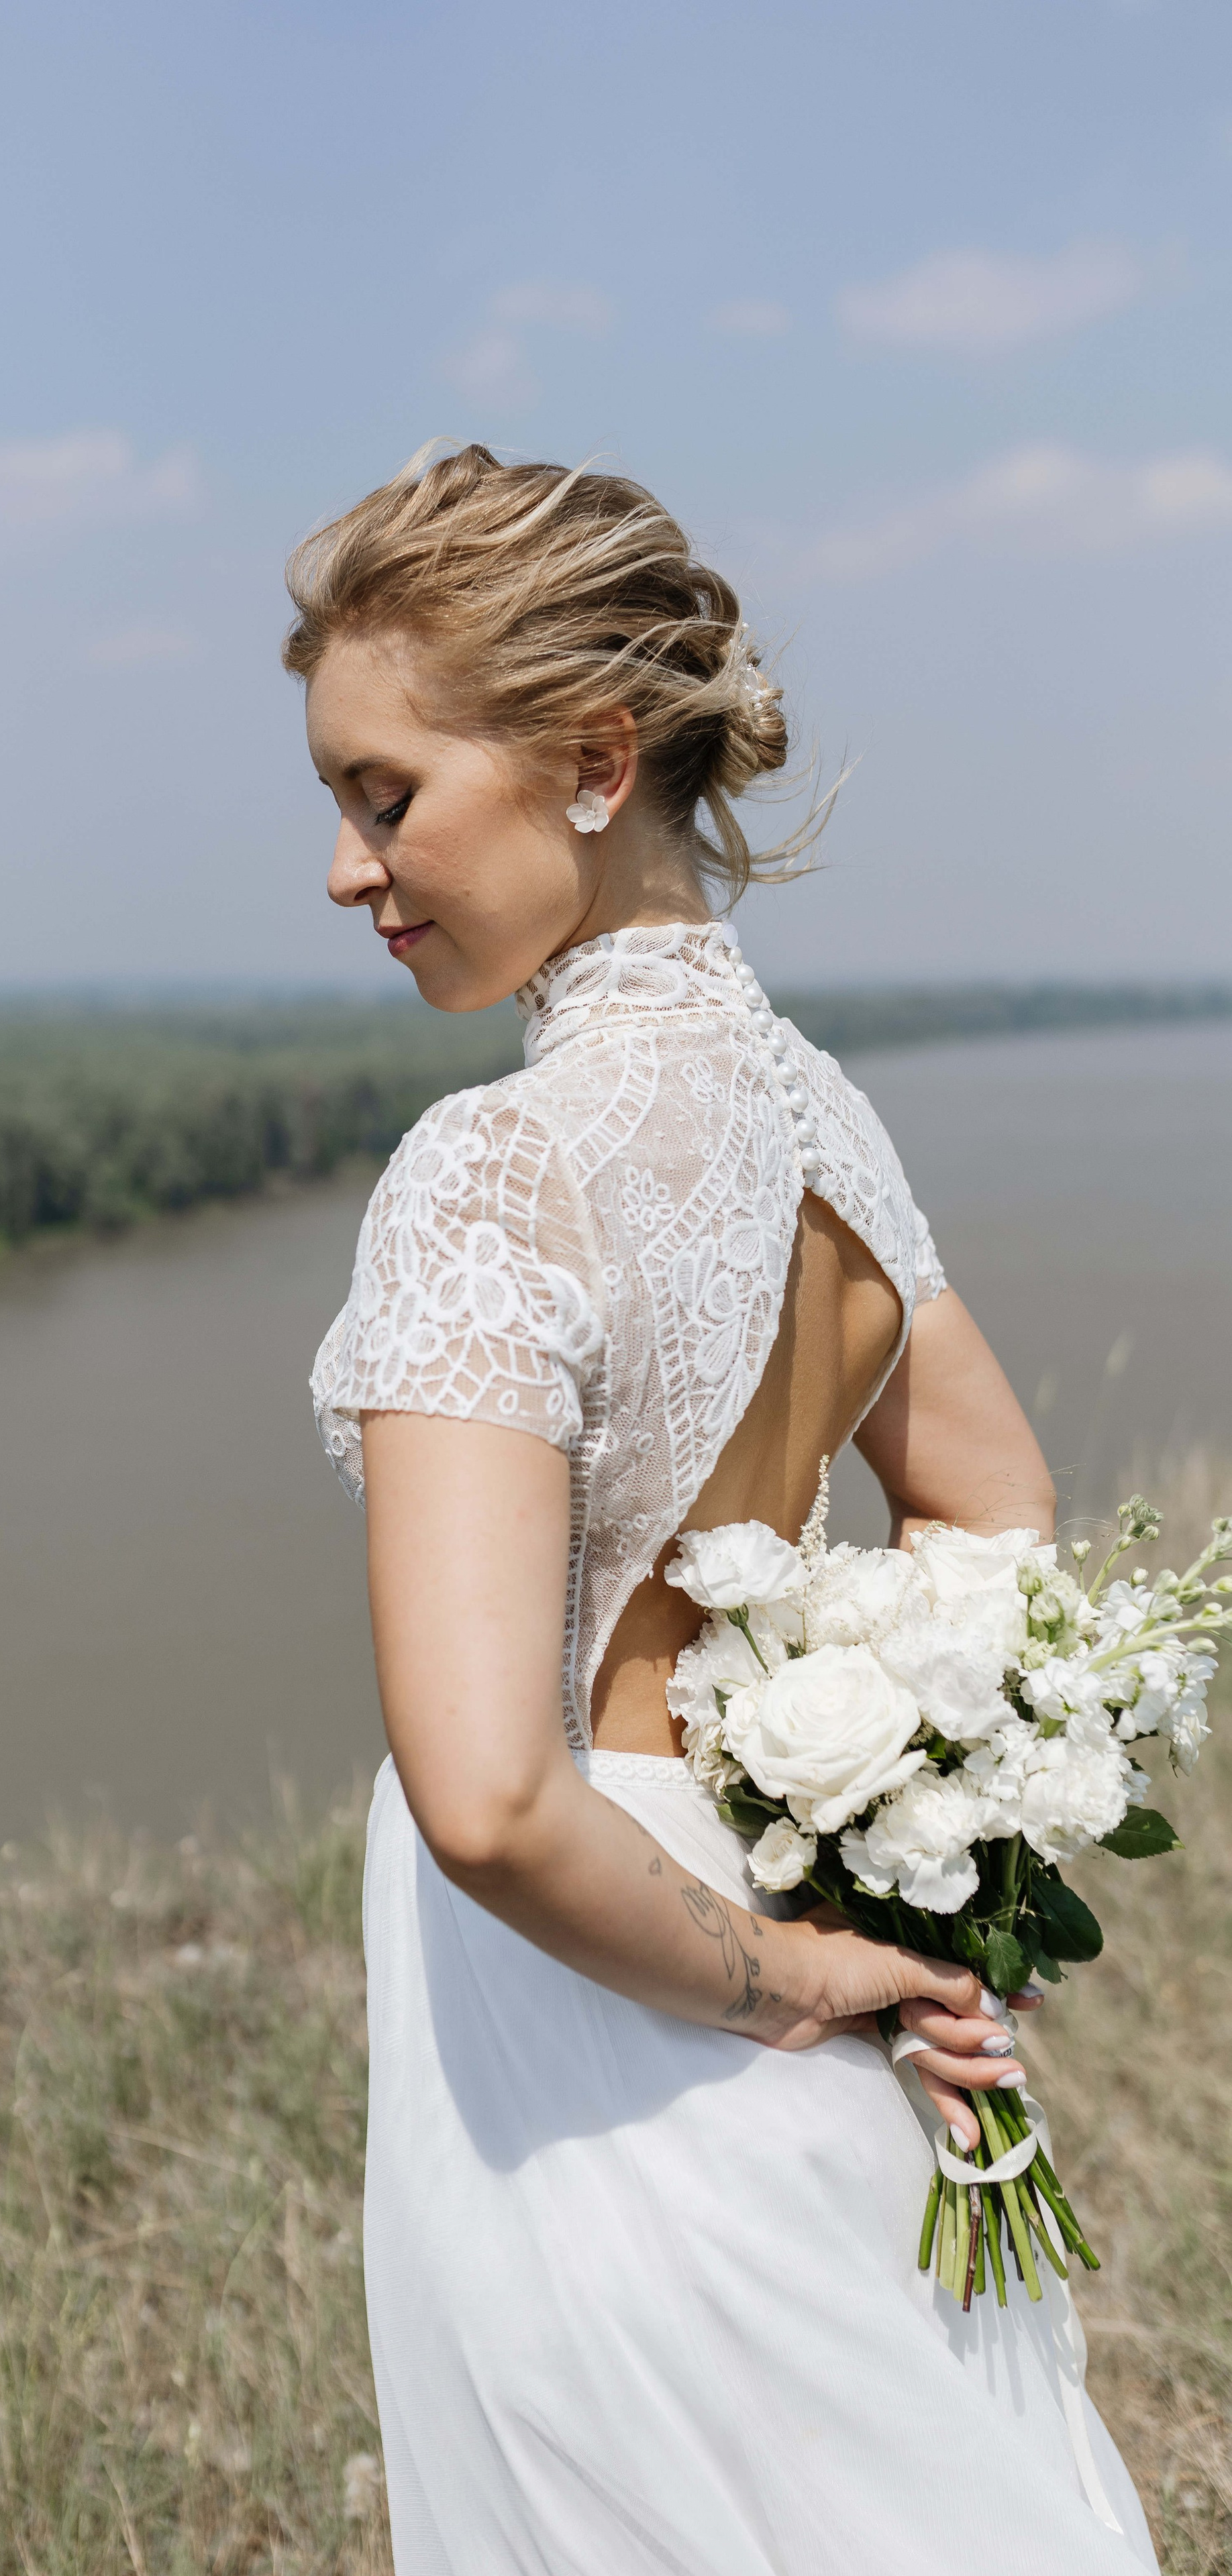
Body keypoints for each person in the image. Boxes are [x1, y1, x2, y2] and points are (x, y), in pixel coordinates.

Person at [284, 445, 1156, 2573]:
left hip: (609, 2022)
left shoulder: (489, 1177)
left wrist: (793, 1974)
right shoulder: (826, 1124)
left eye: (384, 796)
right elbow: (997, 1506)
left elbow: (491, 1795)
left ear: (595, 760)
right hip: (789, 1942)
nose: (340, 868)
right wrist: (884, 1826)